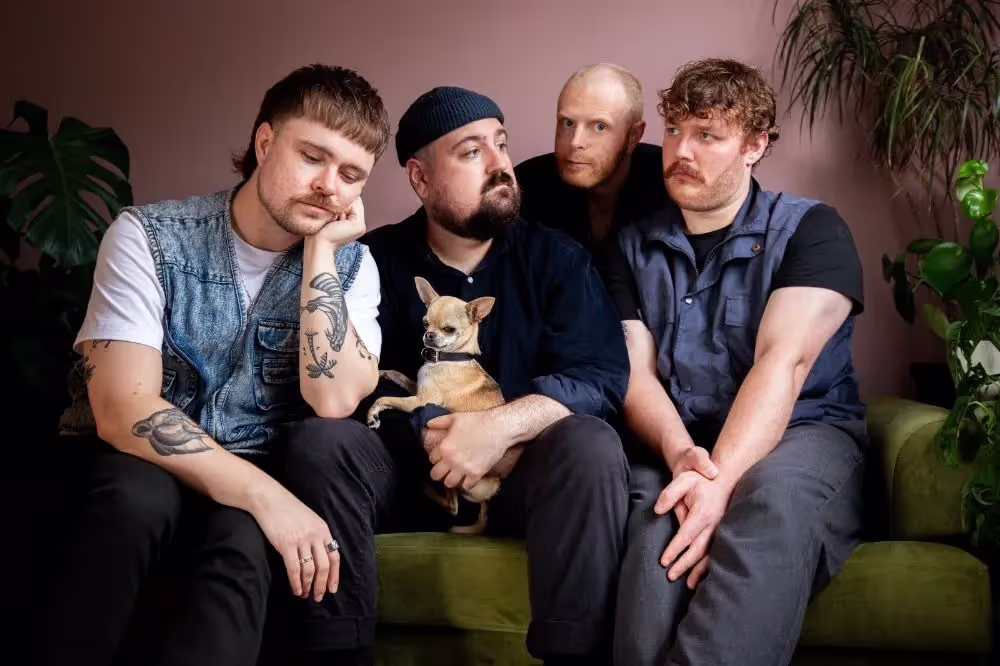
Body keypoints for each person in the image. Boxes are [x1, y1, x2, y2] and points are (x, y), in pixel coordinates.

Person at [36, 64, 390, 666]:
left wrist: (322, 253)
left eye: (351, 174)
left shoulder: (353, 268)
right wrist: (268, 496)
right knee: (136, 499)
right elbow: (125, 412)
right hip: (134, 466)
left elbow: (333, 401)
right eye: (313, 156)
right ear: (265, 142)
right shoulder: (147, 237)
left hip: (244, 487)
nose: (330, 186)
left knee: (242, 549)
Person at [282, 86, 631, 665]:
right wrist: (429, 432)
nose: (501, 166)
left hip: (518, 480)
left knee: (591, 443)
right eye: (472, 152)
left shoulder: (557, 260)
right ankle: (336, 654)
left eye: (502, 145)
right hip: (404, 476)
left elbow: (601, 378)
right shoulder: (373, 261)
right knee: (319, 440)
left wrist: (500, 426)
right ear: (420, 179)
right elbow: (351, 389)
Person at [607, 59, 867, 666]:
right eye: (674, 130)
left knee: (771, 501)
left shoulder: (812, 229)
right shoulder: (629, 245)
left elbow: (784, 362)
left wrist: (719, 481)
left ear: (754, 145)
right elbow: (634, 373)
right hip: (683, 439)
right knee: (656, 515)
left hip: (805, 432)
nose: (681, 151)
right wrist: (684, 460)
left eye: (707, 135)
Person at [515, 63, 665, 254]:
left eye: (599, 126)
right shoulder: (524, 185)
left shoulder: (669, 182)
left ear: (633, 136)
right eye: (568, 123)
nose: (575, 142)